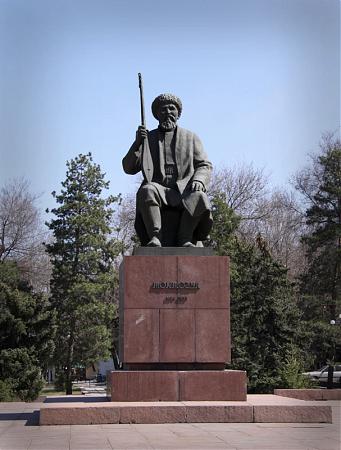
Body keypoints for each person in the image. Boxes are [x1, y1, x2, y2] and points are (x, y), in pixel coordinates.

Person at [122, 93, 212, 247]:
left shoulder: (191, 137)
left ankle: (185, 238)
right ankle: (156, 237)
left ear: (178, 113)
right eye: (163, 109)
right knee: (147, 190)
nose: (168, 112)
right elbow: (129, 168)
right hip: (158, 189)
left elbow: (204, 165)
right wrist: (137, 144)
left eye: (172, 109)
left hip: (184, 189)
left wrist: (198, 180)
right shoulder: (148, 139)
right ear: (157, 114)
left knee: (198, 196)